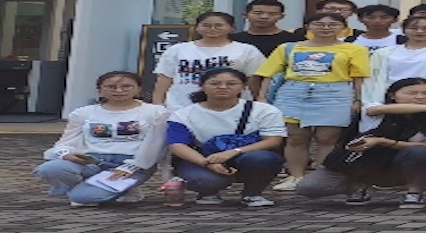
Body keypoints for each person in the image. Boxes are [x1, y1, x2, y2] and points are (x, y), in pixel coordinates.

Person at [255, 12, 371, 187]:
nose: (326, 28)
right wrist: (262, 97)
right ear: (308, 26)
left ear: (343, 27)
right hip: (293, 92)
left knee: (327, 138)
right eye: (319, 24)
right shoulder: (287, 47)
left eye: (333, 24)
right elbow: (268, 74)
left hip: (335, 93)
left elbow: (359, 77)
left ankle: (320, 178)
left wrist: (358, 99)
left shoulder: (355, 49)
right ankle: (295, 176)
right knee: (295, 137)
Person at [297, 76, 426, 206]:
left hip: (401, 165)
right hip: (362, 164)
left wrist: (382, 141)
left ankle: (414, 193)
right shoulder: (375, 108)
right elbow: (376, 110)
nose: (420, 97)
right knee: (309, 187)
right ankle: (357, 187)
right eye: (412, 93)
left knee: (420, 152)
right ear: (392, 95)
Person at [34, 70, 169, 206]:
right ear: (100, 89)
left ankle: (117, 189)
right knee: (50, 168)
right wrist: (65, 154)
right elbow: (65, 142)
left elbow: (156, 145)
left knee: (82, 198)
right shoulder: (83, 113)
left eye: (126, 86)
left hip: (133, 163)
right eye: (111, 87)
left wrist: (130, 167)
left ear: (139, 89)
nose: (119, 91)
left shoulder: (156, 112)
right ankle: (93, 187)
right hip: (91, 161)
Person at [164, 67, 288, 206]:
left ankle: (252, 194)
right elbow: (176, 145)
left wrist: (234, 152)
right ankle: (208, 192)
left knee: (264, 159)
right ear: (202, 86)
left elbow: (273, 141)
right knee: (205, 180)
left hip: (245, 156)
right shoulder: (182, 114)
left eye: (231, 83)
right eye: (215, 83)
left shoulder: (264, 110)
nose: (223, 87)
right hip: (204, 158)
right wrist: (207, 163)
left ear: (243, 86)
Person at [151, 12, 267, 109]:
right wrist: (157, 104)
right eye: (206, 25)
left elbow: (253, 79)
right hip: (180, 106)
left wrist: (256, 102)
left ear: (232, 28)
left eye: (219, 25)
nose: (212, 29)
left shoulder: (247, 50)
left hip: (233, 107)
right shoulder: (178, 49)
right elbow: (165, 78)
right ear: (197, 27)